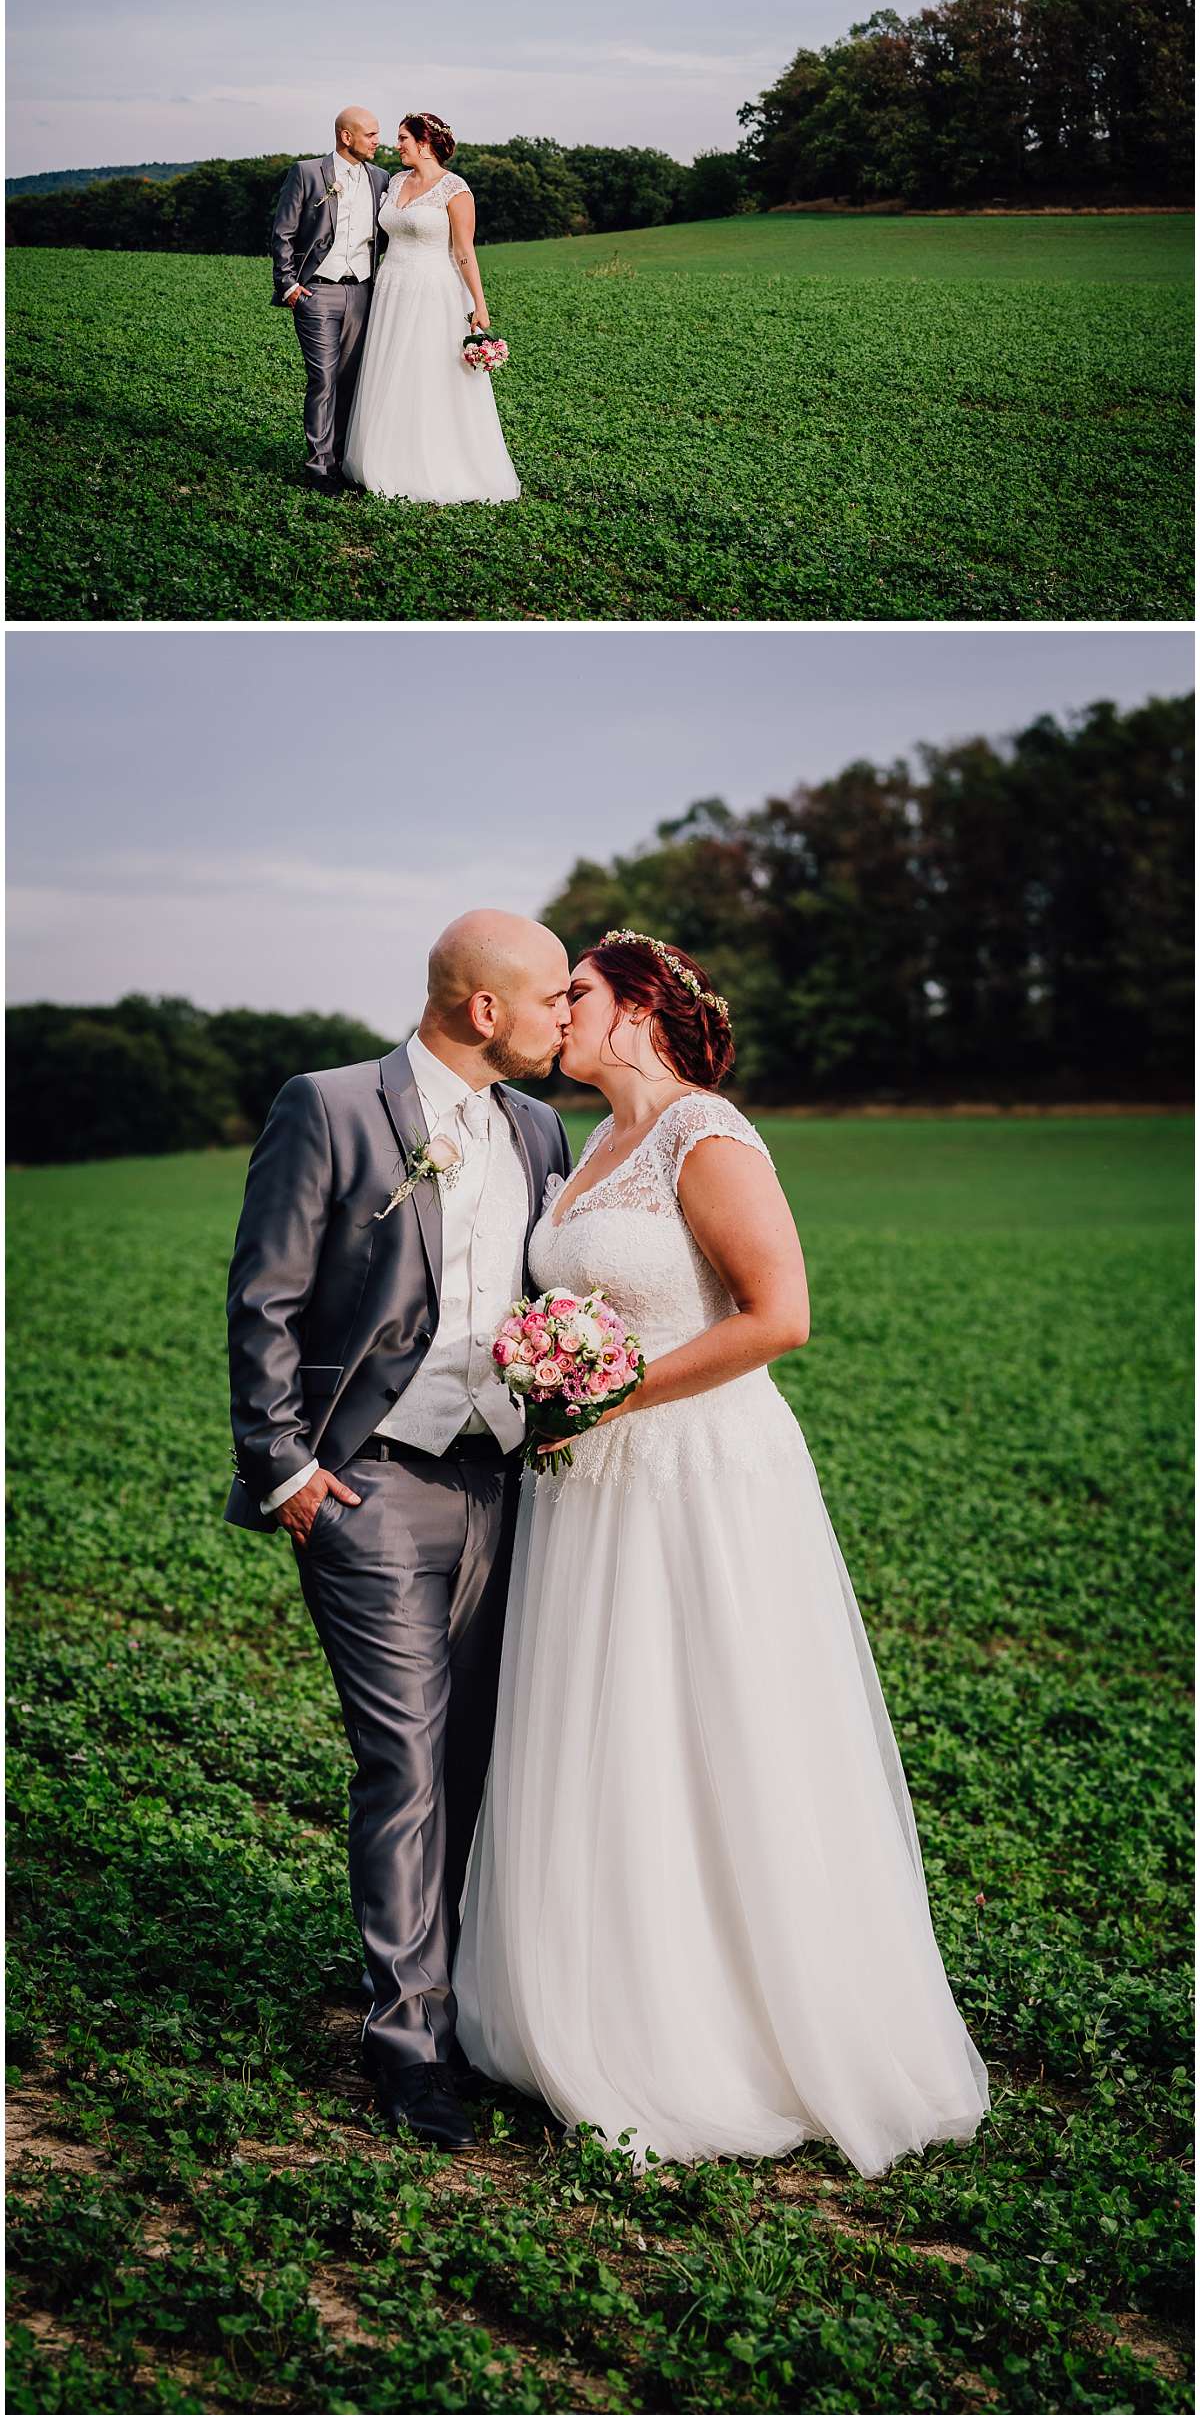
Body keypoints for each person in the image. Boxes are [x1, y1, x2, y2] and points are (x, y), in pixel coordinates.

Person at [453, 931, 991, 2180]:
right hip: (589, 1490)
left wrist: (613, 1393)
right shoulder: (590, 1146)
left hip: (697, 1474)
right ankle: (594, 1999)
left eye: (574, 992)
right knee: (603, 1730)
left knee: (711, 1724)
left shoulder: (709, 1133)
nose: (555, 1011)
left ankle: (737, 2028)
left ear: (638, 1004)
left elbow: (779, 1315)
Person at [224, 912, 572, 2151]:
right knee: (408, 1761)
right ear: (483, 1007)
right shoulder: (330, 1105)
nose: (565, 1022)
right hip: (366, 1481)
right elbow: (264, 1292)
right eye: (549, 1001)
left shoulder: (537, 1124)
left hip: (504, 1479)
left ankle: (476, 2004)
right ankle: (410, 2046)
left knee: (481, 1749)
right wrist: (289, 1470)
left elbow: (539, 1295)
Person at [341, 112, 520, 504]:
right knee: (390, 370)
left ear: (424, 143)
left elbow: (464, 251)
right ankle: (383, 458)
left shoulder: (455, 189)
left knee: (428, 373)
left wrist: (479, 304)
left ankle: (432, 464)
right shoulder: (396, 181)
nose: (396, 144)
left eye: (403, 138)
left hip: (433, 290)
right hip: (392, 287)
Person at [270, 105, 394, 494]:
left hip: (362, 291)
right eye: (371, 134)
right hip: (317, 292)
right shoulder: (307, 173)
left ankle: (340, 463)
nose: (378, 140)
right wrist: (289, 284)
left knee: (349, 379)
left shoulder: (381, 178)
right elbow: (283, 232)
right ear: (346, 136)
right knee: (322, 378)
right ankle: (319, 469)